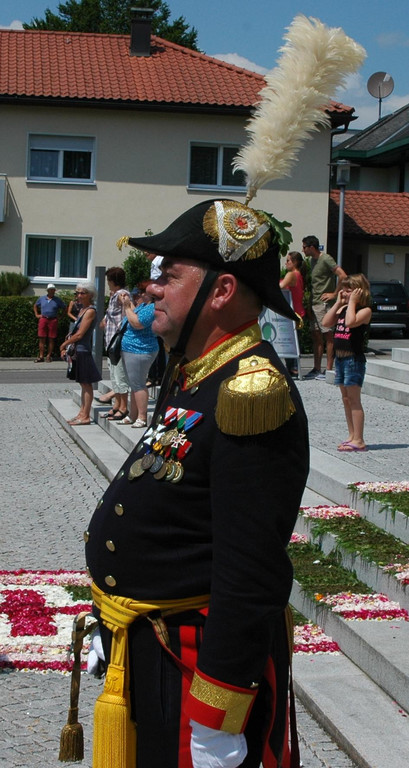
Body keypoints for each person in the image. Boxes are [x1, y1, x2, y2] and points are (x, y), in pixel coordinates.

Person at [85, 199, 309, 768]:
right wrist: (115, 621)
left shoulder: (250, 391)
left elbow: (250, 569)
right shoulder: (196, 369)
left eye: (169, 273)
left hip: (191, 662)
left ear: (222, 290)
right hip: (151, 641)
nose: (152, 286)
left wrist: (218, 714)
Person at [322, 274, 372, 452]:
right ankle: (351, 435)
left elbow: (350, 323)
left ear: (359, 291)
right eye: (343, 289)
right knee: (345, 399)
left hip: (353, 359)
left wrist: (352, 303)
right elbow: (326, 322)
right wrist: (338, 303)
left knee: (354, 399)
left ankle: (359, 439)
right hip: (341, 359)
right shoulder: (343, 308)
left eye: (349, 290)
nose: (344, 293)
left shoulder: (365, 311)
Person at [301, 236, 347, 380]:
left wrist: (334, 294)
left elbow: (342, 275)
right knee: (316, 336)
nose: (303, 250)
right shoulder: (312, 261)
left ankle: (328, 370)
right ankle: (316, 369)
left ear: (311, 247)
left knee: (328, 335)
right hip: (315, 303)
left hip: (324, 304)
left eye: (304, 247)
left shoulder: (326, 259)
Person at [116, 283, 159, 427]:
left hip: (140, 349)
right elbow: (133, 314)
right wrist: (127, 303)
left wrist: (127, 306)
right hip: (131, 349)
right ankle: (133, 415)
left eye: (141, 292)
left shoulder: (153, 308)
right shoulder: (144, 306)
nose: (138, 295)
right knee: (133, 384)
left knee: (139, 384)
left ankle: (142, 417)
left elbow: (137, 323)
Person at [60, 282, 102, 425]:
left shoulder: (90, 311)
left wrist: (64, 344)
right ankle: (81, 413)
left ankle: (85, 415)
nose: (78, 296)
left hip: (83, 350)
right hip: (77, 350)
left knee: (86, 383)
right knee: (82, 384)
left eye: (82, 293)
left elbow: (80, 334)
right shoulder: (82, 310)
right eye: (77, 293)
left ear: (90, 295)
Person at [99, 267, 130, 421]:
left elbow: (127, 314)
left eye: (109, 280)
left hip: (118, 340)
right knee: (114, 375)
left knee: (120, 375)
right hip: (111, 340)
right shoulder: (114, 295)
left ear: (113, 281)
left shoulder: (122, 295)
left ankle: (124, 407)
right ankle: (117, 404)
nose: (108, 283)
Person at [279, 250, 307, 376]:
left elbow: (280, 287)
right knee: (293, 341)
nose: (286, 263)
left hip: (293, 313)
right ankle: (291, 368)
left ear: (295, 262)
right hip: (298, 312)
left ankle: (293, 368)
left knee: (290, 342)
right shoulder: (299, 275)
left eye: (288, 261)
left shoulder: (291, 274)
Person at [146, 252, 167, 386]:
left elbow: (156, 281)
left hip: (159, 302)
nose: (145, 254)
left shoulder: (158, 261)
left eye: (148, 251)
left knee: (157, 341)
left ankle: (156, 376)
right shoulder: (157, 261)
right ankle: (156, 375)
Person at [33, 283, 66, 362]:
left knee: (51, 338)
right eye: (50, 290)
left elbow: (65, 307)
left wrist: (61, 316)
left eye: (53, 290)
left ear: (54, 291)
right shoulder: (42, 298)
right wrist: (37, 314)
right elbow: (35, 305)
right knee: (42, 338)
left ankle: (48, 355)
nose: (51, 291)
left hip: (53, 320)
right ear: (47, 291)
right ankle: (41, 356)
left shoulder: (57, 300)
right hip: (43, 319)